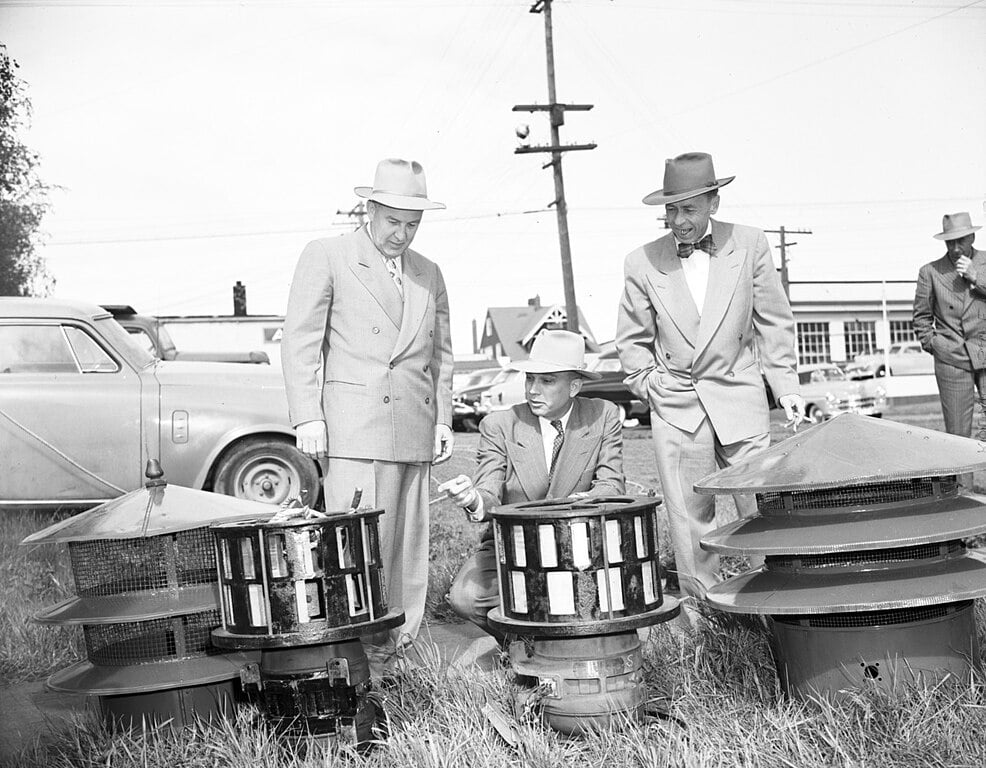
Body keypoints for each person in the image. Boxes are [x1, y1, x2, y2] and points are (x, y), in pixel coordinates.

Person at [280, 158, 454, 677]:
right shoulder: (328, 255)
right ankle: (356, 652)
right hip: (353, 431)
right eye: (393, 221)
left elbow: (441, 354)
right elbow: (300, 341)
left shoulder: (430, 273)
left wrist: (443, 419)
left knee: (407, 547)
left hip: (415, 429)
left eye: (413, 224)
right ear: (370, 209)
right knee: (358, 547)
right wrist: (307, 416)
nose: (402, 234)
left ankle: (400, 649)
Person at [616, 151, 804, 605]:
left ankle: (774, 608)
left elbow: (773, 322)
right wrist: (653, 388)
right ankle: (703, 619)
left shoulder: (751, 243)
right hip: (677, 407)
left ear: (714, 204)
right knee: (689, 519)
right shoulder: (641, 262)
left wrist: (788, 388)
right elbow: (630, 343)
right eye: (671, 210)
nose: (678, 221)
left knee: (760, 512)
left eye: (689, 209)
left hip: (740, 399)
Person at [440, 330, 625, 641]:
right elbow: (489, 491)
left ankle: (576, 646)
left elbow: (611, 487)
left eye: (547, 381)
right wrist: (472, 499)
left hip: (581, 545)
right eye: (529, 379)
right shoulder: (499, 425)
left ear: (575, 386)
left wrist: (572, 511)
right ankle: (523, 644)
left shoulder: (602, 416)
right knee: (466, 597)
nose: (533, 390)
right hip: (514, 546)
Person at [913, 212, 986, 441]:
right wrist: (935, 346)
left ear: (972, 238)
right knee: (958, 439)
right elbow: (921, 317)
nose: (955, 248)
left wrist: (976, 278)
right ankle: (962, 480)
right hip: (951, 360)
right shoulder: (930, 272)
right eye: (950, 242)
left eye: (960, 240)